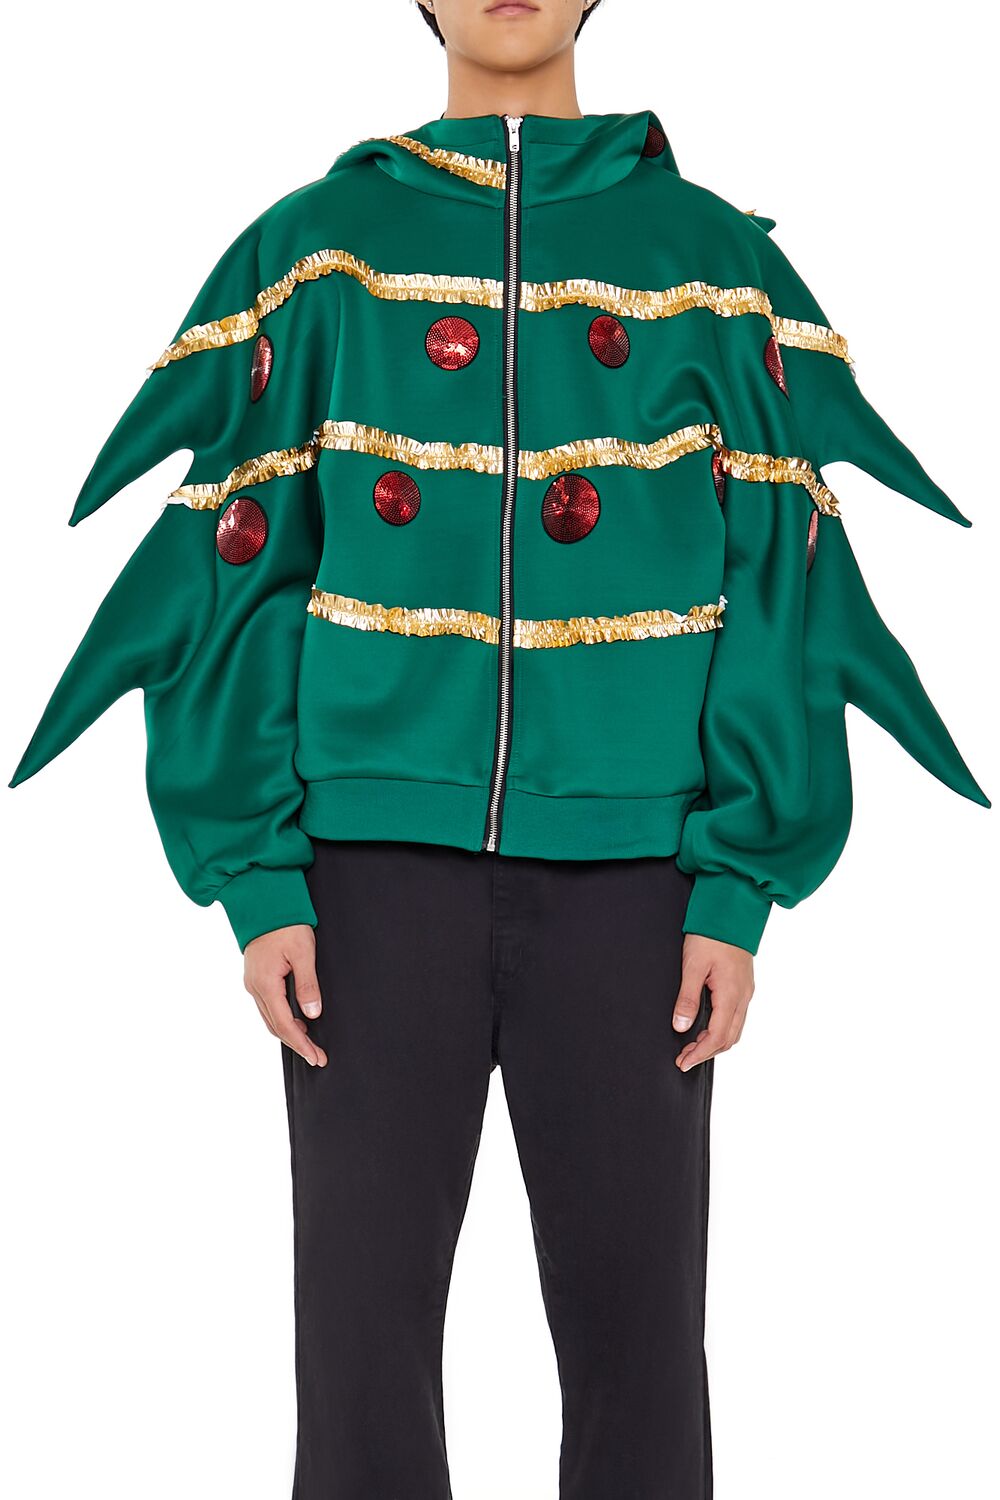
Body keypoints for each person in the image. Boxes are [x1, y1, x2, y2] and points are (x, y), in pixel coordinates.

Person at [7, 1, 991, 1495]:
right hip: (361, 883)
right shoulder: (321, 250)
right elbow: (246, 565)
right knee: (358, 1354)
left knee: (641, 1355)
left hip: (642, 883)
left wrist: (738, 882)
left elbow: (775, 572)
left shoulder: (711, 262)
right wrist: (257, 874)